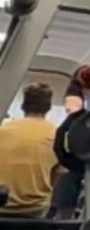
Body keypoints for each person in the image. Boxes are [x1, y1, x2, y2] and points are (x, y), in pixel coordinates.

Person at [0, 83, 59, 215]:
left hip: (2, 204)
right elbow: (56, 176)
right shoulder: (56, 135)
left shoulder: (3, 130)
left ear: (23, 106)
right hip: (34, 208)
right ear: (48, 108)